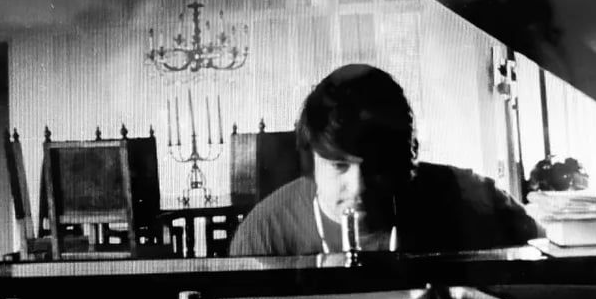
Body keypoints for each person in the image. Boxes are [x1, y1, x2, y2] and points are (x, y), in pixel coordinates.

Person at [229, 64, 541, 257]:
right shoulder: (263, 234)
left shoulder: (475, 200)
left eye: (377, 166)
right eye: (339, 166)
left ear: (410, 159)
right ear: (310, 162)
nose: (358, 187)